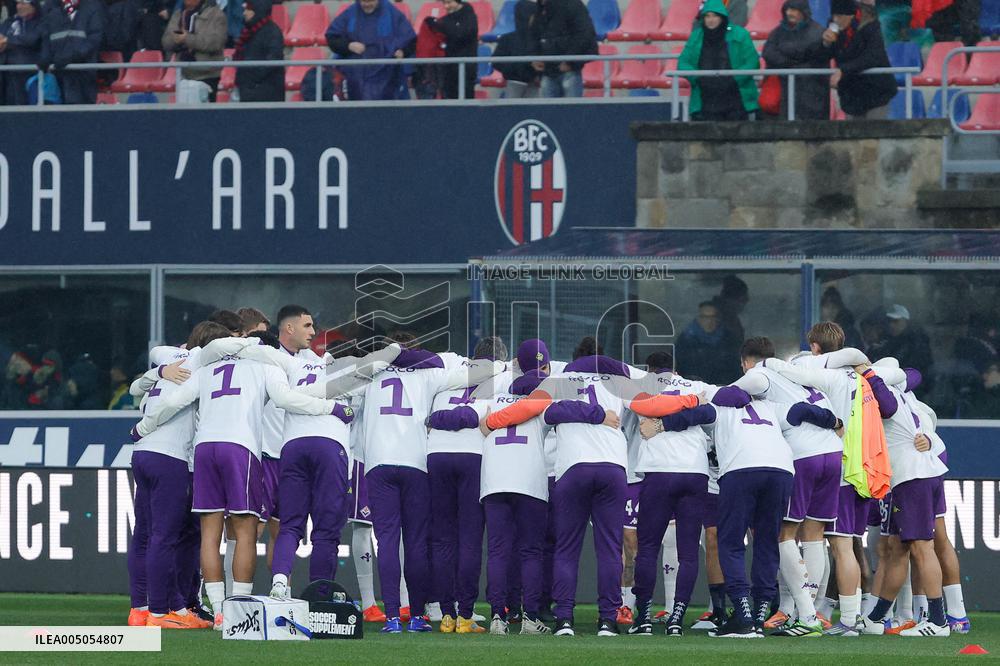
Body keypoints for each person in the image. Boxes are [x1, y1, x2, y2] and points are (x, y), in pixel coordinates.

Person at [129, 325, 346, 629]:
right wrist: (331, 407)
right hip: (240, 448)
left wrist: (143, 427)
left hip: (204, 448)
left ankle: (218, 611)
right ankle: (237, 613)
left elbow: (173, 402)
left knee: (209, 533)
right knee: (244, 531)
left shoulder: (207, 366)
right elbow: (287, 400)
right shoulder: (264, 365)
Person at [655, 387, 843, 638]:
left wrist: (661, 425)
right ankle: (759, 614)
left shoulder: (719, 408)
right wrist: (834, 421)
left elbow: (692, 416)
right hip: (780, 472)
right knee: (767, 542)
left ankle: (743, 616)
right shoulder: (770, 406)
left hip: (741, 470)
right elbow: (803, 410)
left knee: (731, 543)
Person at [360, 333, 504, 633]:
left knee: (387, 543)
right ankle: (415, 615)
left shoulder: (369, 371)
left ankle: (390, 618)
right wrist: (505, 366)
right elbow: (478, 372)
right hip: (415, 462)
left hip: (378, 462)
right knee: (416, 543)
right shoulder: (431, 372)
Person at [728, 336, 849, 637]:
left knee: (783, 534)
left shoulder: (762, 373)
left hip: (803, 456)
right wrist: (834, 422)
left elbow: (739, 392)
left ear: (746, 361)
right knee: (815, 535)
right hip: (832, 453)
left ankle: (804, 615)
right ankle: (811, 612)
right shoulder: (797, 372)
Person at [628, 352, 714, 637]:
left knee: (648, 547)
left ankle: (644, 618)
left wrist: (662, 423)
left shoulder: (645, 388)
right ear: (675, 369)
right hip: (695, 471)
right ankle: (677, 618)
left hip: (660, 470)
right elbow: (706, 413)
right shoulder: (692, 386)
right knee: (688, 551)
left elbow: (706, 413)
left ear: (649, 370)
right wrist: (688, 413)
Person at [678, 0, 759, 121]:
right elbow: (683, 63)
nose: (711, 20)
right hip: (705, 97)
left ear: (722, 17)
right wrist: (698, 78)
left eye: (715, 15)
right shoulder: (696, 36)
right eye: (707, 16)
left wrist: (734, 78)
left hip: (735, 97)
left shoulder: (740, 34)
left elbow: (753, 62)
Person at [325, 0, 415, 101]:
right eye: (363, 1)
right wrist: (349, 46)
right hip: (356, 75)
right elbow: (332, 37)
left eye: (370, 1)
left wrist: (403, 52)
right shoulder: (350, 13)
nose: (366, 5)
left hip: (388, 74)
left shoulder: (392, 13)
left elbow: (410, 39)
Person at [823, 0, 897, 120]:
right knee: (852, 135)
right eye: (834, 16)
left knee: (874, 133)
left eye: (840, 16)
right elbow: (827, 55)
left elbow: (874, 56)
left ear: (851, 15)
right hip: (851, 93)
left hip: (875, 91)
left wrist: (844, 70)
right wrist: (826, 43)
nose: (836, 20)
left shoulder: (870, 24)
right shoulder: (834, 26)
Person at [761, 0, 831, 120]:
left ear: (803, 12)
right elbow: (768, 52)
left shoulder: (818, 32)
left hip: (812, 91)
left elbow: (816, 56)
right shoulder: (778, 31)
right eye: (787, 9)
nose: (789, 13)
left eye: (793, 10)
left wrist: (789, 62)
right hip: (784, 90)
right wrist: (789, 63)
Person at [39, 0, 106, 104]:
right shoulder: (50, 6)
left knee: (81, 113)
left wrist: (74, 56)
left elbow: (95, 38)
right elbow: (46, 36)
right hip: (57, 70)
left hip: (83, 71)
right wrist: (46, 56)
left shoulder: (92, 6)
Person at [162, 0, 227, 102]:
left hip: (208, 74)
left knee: (205, 114)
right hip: (183, 74)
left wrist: (187, 39)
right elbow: (166, 41)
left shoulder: (216, 14)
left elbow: (215, 43)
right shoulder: (178, 14)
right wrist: (174, 40)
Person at [532, 0, 597, 98]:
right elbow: (534, 35)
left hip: (569, 70)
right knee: (548, 110)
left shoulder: (572, 5)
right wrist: (535, 56)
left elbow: (584, 34)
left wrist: (569, 61)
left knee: (571, 110)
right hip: (547, 70)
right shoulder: (540, 9)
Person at [675, 302, 740, 386]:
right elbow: (679, 366)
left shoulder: (729, 339)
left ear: (718, 318)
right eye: (705, 317)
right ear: (698, 318)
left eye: (713, 317)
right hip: (693, 388)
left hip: (722, 387)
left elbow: (735, 366)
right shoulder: (685, 340)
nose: (709, 321)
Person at [233, 0, 284, 102]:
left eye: (248, 10)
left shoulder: (272, 32)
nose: (244, 13)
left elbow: (272, 61)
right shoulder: (248, 32)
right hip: (248, 90)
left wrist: (250, 77)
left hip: (266, 94)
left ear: (257, 11)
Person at [876, 304, 934, 396]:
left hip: (913, 390)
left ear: (905, 321)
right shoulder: (886, 341)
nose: (891, 325)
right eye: (889, 321)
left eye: (896, 321)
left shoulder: (917, 342)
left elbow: (919, 369)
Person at [426, 0, 477, 99]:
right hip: (448, 69)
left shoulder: (470, 18)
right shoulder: (446, 20)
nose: (446, 6)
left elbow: (460, 34)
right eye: (444, 3)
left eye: (449, 2)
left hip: (466, 69)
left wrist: (438, 25)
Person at [0, 0, 44, 106]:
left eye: (23, 3)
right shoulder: (9, 22)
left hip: (29, 74)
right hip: (7, 74)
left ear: (33, 6)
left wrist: (8, 41)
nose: (19, 6)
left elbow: (33, 39)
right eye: (17, 3)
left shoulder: (42, 22)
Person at [492, 0, 538, 98]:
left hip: (535, 83)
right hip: (514, 82)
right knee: (512, 111)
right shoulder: (507, 39)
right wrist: (514, 72)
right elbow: (496, 61)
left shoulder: (540, 38)